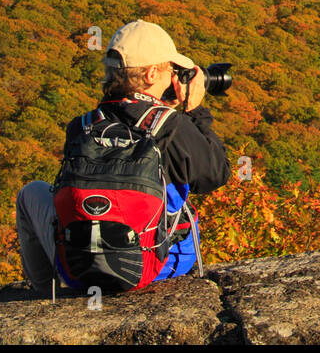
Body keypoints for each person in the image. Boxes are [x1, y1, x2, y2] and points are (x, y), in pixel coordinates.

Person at [15, 19, 231, 293]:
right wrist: (193, 111)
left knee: (30, 193)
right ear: (152, 74)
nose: (174, 78)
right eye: (171, 71)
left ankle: (48, 293)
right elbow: (215, 175)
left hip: (80, 268)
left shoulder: (81, 126)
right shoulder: (170, 127)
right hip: (156, 265)